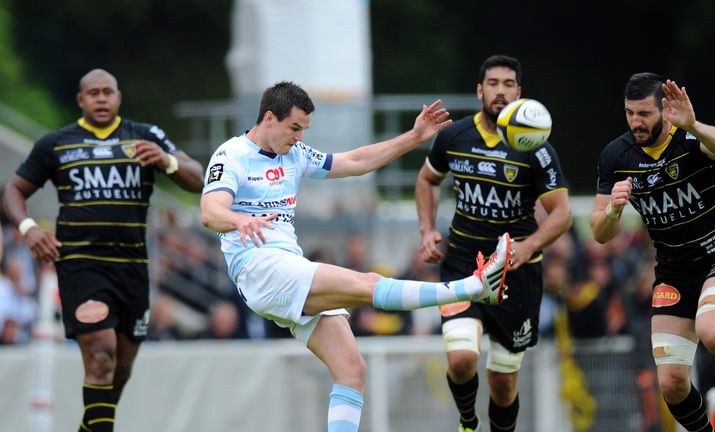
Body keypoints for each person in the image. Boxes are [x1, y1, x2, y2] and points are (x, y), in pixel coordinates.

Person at [199, 81, 512, 432]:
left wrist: (413, 137)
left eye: (305, 129)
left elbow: (357, 161)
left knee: (351, 370)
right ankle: (472, 288)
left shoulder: (295, 155)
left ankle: (474, 287)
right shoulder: (231, 155)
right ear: (269, 117)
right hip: (260, 268)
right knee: (368, 284)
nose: (300, 137)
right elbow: (210, 211)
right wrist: (239, 219)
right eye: (295, 128)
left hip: (288, 267)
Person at [2, 68, 203, 432]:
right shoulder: (56, 144)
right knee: (100, 356)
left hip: (133, 268)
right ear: (81, 100)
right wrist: (28, 228)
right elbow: (13, 191)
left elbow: (197, 177)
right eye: (92, 93)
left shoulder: (145, 136)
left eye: (107, 92)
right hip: (81, 266)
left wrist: (166, 161)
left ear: (118, 97)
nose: (100, 98)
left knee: (119, 372)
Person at [591, 72, 715, 432]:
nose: (636, 123)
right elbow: (600, 234)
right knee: (671, 383)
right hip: (675, 269)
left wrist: (695, 124)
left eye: (645, 114)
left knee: (714, 333)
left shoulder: (690, 137)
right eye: (630, 113)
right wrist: (613, 211)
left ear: (664, 109)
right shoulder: (616, 155)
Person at [415, 54, 572, 432]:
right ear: (479, 90)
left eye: (508, 85)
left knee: (503, 383)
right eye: (493, 84)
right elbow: (426, 180)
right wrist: (426, 230)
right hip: (463, 262)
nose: (500, 92)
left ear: (520, 93)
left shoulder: (537, 148)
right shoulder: (454, 136)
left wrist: (529, 245)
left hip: (515, 274)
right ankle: (468, 422)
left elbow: (563, 213)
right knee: (461, 360)